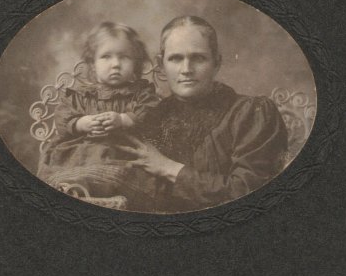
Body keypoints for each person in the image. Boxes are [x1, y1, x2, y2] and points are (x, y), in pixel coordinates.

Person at [117, 16, 288, 213]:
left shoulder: (250, 113)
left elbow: (249, 193)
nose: (186, 69)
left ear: (217, 63)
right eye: (175, 58)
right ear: (161, 65)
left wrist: (168, 168)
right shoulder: (150, 117)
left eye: (198, 58)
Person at [37, 22, 160, 203]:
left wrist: (123, 119)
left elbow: (153, 114)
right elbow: (62, 118)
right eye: (106, 57)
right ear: (93, 64)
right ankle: (77, 190)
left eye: (124, 57)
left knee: (122, 172)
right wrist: (81, 123)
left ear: (136, 64)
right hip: (82, 154)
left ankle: (107, 196)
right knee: (69, 171)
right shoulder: (80, 94)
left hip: (121, 153)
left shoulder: (141, 93)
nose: (115, 64)